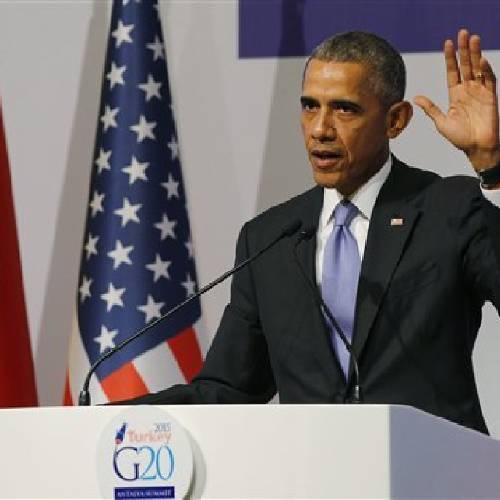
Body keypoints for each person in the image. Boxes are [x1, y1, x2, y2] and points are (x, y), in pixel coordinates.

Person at [122, 29, 500, 435]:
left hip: (434, 481)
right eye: (309, 106)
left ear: (395, 120)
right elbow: (227, 390)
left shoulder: (448, 209)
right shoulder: (269, 238)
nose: (320, 128)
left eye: (344, 110)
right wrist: (107, 417)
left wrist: (492, 167)